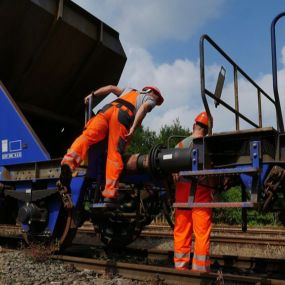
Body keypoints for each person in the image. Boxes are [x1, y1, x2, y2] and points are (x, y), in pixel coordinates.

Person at [59, 85, 164, 204]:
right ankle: (110, 193)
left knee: (87, 137)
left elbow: (110, 88)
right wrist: (133, 128)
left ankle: (68, 163)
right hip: (122, 116)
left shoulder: (129, 90)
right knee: (114, 153)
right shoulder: (150, 99)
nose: (156, 103)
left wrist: (92, 95)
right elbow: (143, 108)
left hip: (106, 109)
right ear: (151, 92)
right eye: (158, 98)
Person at [173, 111, 215, 272]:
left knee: (182, 231)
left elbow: (172, 171)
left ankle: (180, 268)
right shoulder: (209, 145)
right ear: (207, 130)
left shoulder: (180, 145)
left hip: (182, 194)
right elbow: (212, 174)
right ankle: (200, 270)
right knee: (202, 233)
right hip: (202, 193)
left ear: (194, 126)